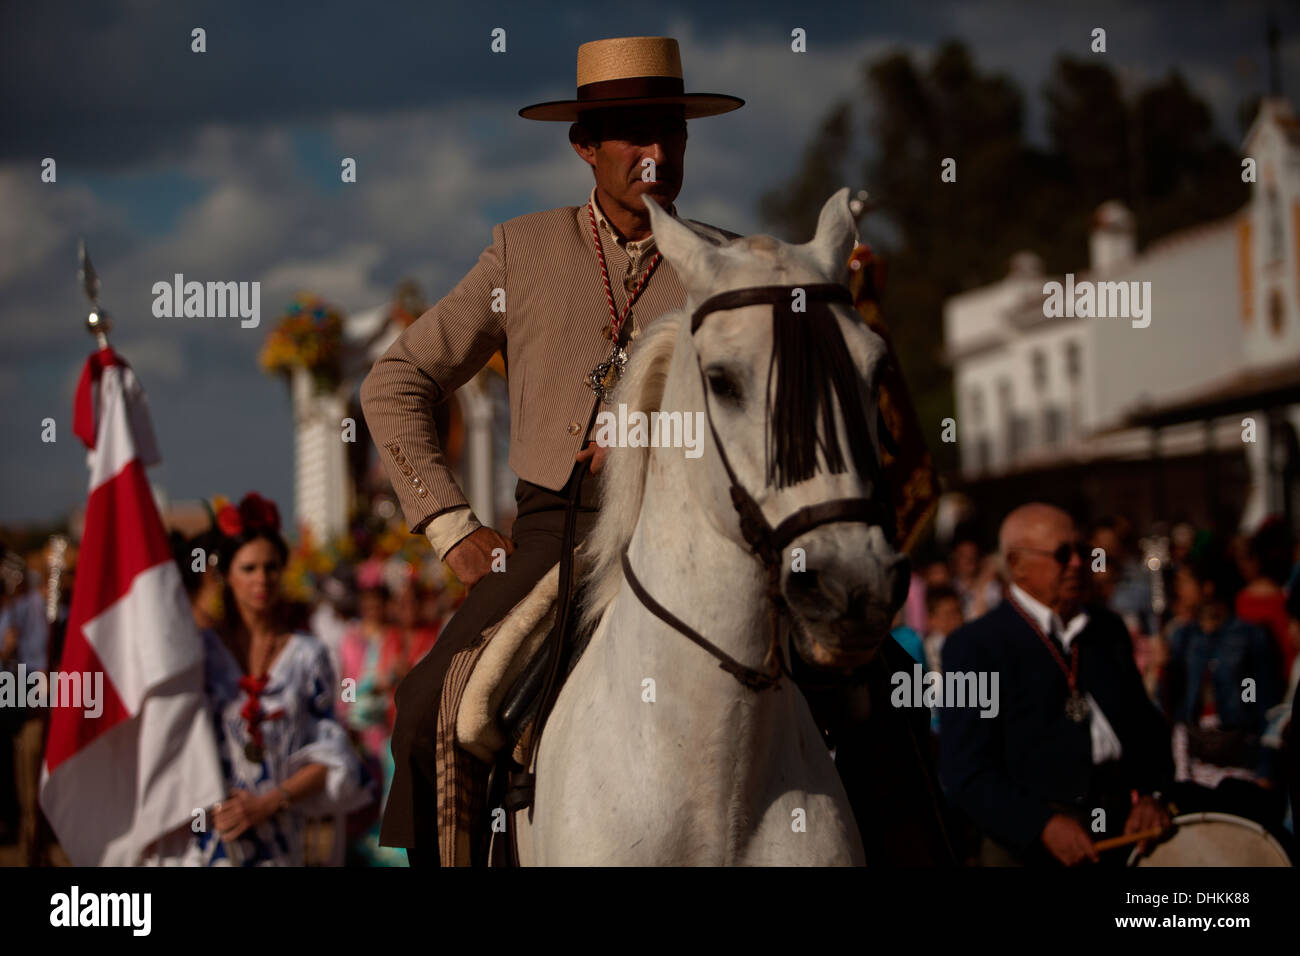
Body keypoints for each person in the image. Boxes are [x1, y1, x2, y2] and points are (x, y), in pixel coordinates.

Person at [360, 35, 745, 864]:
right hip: (554, 541)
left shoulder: (730, 268)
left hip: (696, 539)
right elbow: (393, 383)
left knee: (861, 705)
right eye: (634, 136)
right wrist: (452, 526)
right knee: (432, 704)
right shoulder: (523, 249)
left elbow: (764, 419)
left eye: (671, 133)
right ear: (585, 147)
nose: (656, 154)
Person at [939, 503, 1174, 866]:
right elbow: (964, 770)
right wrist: (1041, 825)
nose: (1079, 564)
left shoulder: (1107, 630)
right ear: (1016, 564)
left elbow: (1147, 731)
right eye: (1063, 555)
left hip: (1120, 833)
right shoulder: (972, 647)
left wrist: (1150, 794)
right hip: (1026, 849)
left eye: (1083, 551)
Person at [191, 492, 371, 866]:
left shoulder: (308, 655)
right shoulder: (200, 653)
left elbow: (332, 754)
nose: (262, 579)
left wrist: (268, 802)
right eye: (249, 568)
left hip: (281, 844)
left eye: (271, 567)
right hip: (207, 842)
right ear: (225, 574)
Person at [1163, 544, 1285, 833]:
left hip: (1238, 757)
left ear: (1207, 587)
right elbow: (1173, 704)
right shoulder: (1183, 637)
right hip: (1194, 755)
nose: (1179, 591)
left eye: (1186, 583)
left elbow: (1264, 703)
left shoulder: (1249, 636)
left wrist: (1265, 768)